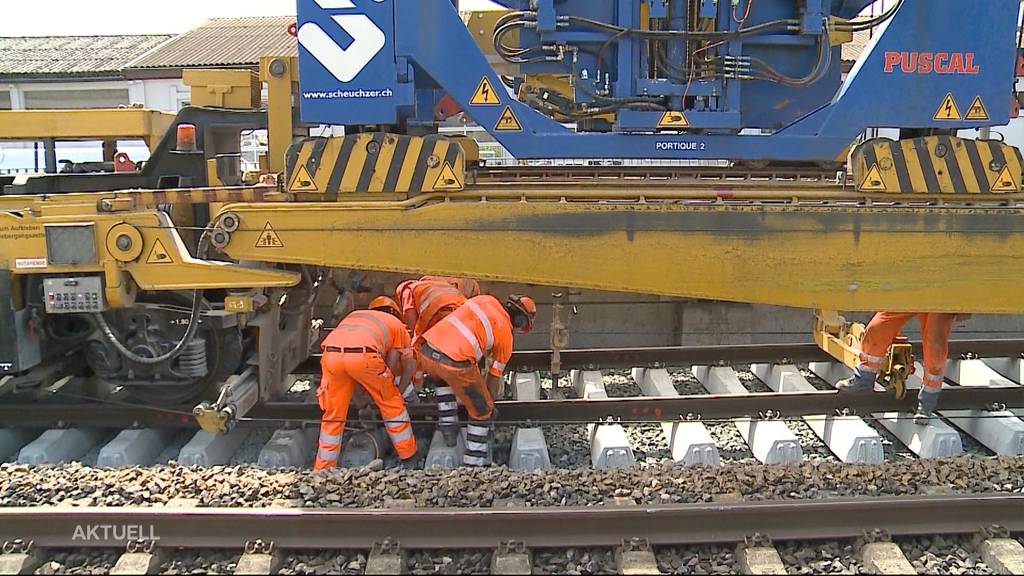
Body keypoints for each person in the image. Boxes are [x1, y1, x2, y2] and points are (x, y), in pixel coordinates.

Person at [414, 294, 536, 467]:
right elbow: (493, 380)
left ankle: (448, 429)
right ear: (518, 318)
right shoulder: (506, 336)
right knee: (482, 410)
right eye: (522, 324)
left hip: (426, 352)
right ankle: (473, 463)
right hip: (454, 363)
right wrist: (487, 405)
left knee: (444, 380)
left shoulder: (486, 299)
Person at [314, 296, 418, 470]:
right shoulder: (397, 325)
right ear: (396, 314)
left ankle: (323, 468)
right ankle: (409, 457)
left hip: (331, 355)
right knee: (392, 404)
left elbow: (349, 374)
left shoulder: (356, 315)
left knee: (333, 414)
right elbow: (406, 365)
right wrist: (394, 392)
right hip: (364, 356)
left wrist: (363, 404)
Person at [837, 312, 958, 424]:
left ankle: (927, 403)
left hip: (939, 295)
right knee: (877, 328)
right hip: (913, 290)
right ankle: (863, 380)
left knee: (936, 347)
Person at [395, 277, 480, 340]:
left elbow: (411, 319)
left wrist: (415, 340)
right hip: (460, 312)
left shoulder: (408, 290)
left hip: (438, 312)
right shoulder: (433, 284)